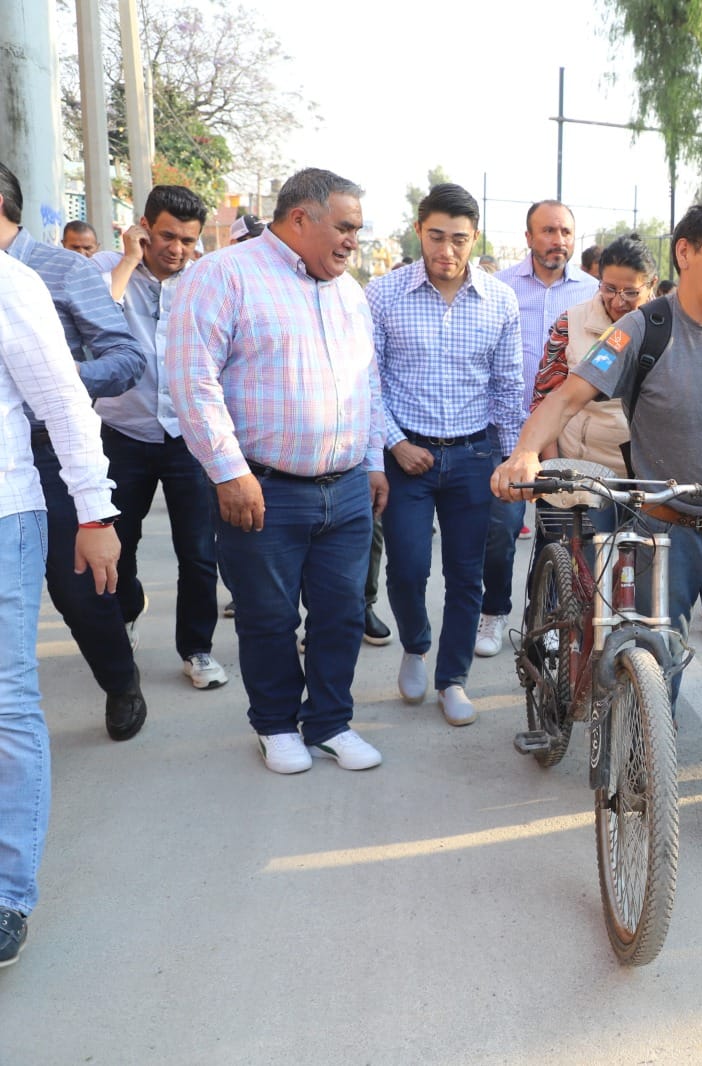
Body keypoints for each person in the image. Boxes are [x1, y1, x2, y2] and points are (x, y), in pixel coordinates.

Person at [493, 202, 702, 857]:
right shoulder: (643, 329)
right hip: (661, 532)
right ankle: (644, 778)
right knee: (653, 666)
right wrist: (525, 452)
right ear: (687, 253)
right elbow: (568, 396)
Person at [167, 167, 388, 775]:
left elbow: (367, 383)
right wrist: (228, 472)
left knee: (341, 613)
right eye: (344, 228)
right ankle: (274, 724)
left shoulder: (349, 292)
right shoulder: (223, 275)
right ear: (300, 220)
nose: (352, 242)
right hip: (262, 489)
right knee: (268, 616)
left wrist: (371, 461)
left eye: (357, 231)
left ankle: (329, 722)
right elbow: (192, 381)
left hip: (343, 490)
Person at [0, 251, 122, 969]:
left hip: (5, 515)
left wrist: (94, 512)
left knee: (6, 704)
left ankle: (8, 894)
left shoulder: (10, 283)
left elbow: (63, 402)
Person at [0, 161, 148, 740]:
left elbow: (127, 355)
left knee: (79, 590)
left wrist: (57, 379)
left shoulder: (63, 269)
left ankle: (120, 682)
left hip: (55, 450)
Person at [367, 184, 522, 726]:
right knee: (407, 568)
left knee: (466, 574)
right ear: (419, 230)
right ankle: (415, 643)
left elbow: (507, 388)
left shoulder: (500, 301)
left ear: (474, 237)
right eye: (437, 236)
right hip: (408, 456)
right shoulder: (383, 296)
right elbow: (369, 383)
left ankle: (452, 679)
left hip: (475, 457)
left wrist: (511, 459)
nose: (447, 251)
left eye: (459, 239)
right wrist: (395, 444)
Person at [95, 185, 228, 691]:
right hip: (124, 434)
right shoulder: (111, 269)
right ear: (143, 227)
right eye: (167, 236)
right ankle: (125, 617)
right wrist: (129, 262)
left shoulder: (206, 280)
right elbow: (96, 321)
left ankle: (196, 649)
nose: (177, 249)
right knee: (119, 544)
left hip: (188, 438)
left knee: (197, 552)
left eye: (189, 240)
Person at [478, 201, 598, 657]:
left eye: (566, 232)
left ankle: (546, 618)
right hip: (508, 433)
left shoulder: (591, 294)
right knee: (500, 530)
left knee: (558, 533)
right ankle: (494, 613)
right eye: (548, 231)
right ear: (528, 237)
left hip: (567, 437)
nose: (558, 241)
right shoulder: (499, 289)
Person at [529, 233, 657, 480]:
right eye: (609, 288)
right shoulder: (571, 322)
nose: (618, 301)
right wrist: (555, 468)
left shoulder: (669, 329)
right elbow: (545, 397)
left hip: (647, 476)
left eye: (630, 292)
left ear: (652, 284)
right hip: (579, 473)